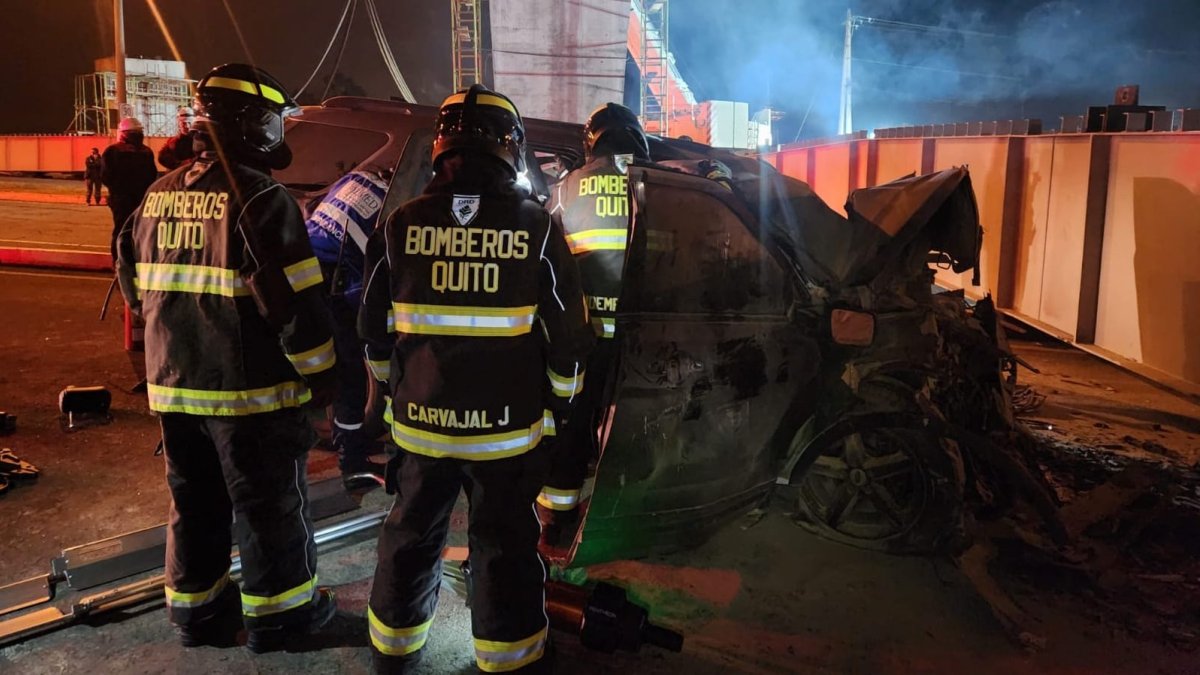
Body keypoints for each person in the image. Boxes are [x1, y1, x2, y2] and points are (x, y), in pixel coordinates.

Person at [360, 84, 594, 674]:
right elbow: (567, 336)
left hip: (420, 430)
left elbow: (372, 333)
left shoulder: (401, 223)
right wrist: (561, 405)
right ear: (509, 148)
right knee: (503, 547)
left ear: (441, 147)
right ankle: (509, 658)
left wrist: (395, 395)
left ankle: (394, 648)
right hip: (506, 435)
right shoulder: (536, 227)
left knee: (410, 535)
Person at [115, 63, 338, 653]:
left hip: (173, 386)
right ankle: (283, 619)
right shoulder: (264, 201)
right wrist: (323, 376)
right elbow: (296, 312)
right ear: (253, 123)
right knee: (268, 507)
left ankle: (197, 613)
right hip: (250, 395)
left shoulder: (155, 196)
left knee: (194, 503)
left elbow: (135, 290)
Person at [536, 102, 650, 544]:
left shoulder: (565, 189)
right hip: (639, 336)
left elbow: (546, 261)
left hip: (583, 334)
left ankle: (557, 520)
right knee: (633, 425)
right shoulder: (651, 185)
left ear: (591, 143)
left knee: (573, 423)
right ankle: (624, 515)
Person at [304, 166, 392, 486]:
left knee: (337, 371)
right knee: (350, 375)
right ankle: (351, 463)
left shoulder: (357, 178)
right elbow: (364, 289)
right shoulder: (390, 209)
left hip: (305, 272)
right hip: (331, 283)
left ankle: (350, 445)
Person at [101, 117, 157, 261]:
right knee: (139, 230)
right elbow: (152, 175)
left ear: (123, 133)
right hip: (141, 200)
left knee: (120, 230)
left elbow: (105, 176)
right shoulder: (146, 151)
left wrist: (117, 190)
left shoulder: (112, 151)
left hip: (121, 199)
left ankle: (118, 260)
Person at [158, 106, 196, 170]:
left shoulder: (197, 140)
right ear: (179, 123)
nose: (186, 126)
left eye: (189, 123)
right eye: (183, 123)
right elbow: (162, 157)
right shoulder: (173, 141)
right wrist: (178, 164)